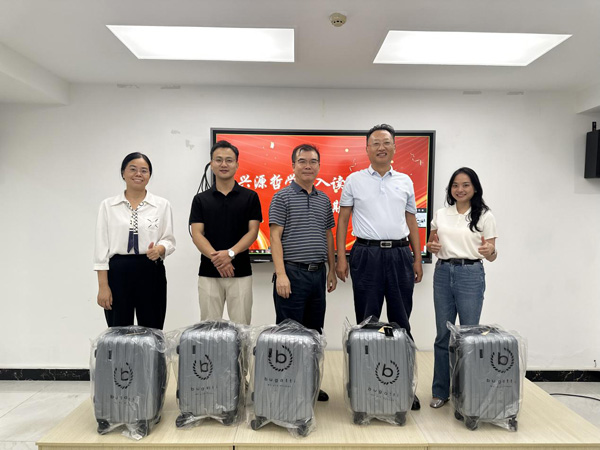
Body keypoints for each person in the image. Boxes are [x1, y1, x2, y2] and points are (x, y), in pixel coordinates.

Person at [336, 123, 422, 409]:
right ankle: (364, 385)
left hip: (399, 254)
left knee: (402, 323)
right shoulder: (354, 180)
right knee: (366, 322)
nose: (381, 147)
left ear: (394, 147)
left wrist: (417, 257)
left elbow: (411, 220)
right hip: (366, 254)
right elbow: (343, 220)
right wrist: (340, 257)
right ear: (367, 148)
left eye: (386, 142)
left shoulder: (405, 181)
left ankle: (405, 387)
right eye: (375, 143)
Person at [269, 143, 337, 401]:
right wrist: (281, 274)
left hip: (318, 275)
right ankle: (287, 388)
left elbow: (328, 236)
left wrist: (331, 270)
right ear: (293, 166)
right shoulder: (282, 197)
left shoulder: (324, 199)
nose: (308, 166)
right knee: (289, 335)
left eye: (312, 161)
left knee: (313, 334)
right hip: (292, 274)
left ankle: (310, 385)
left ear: (319, 166)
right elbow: (275, 237)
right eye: (302, 161)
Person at [427, 167, 497, 409]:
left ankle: (467, 392)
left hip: (470, 274)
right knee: (442, 335)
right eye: (455, 185)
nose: (460, 189)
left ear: (474, 188)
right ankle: (440, 391)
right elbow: (432, 243)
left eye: (465, 185)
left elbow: (492, 255)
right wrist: (431, 247)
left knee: (468, 336)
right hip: (443, 273)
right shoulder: (441, 214)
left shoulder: (485, 216)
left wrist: (490, 251)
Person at [94, 152, 176, 330]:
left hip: (150, 269)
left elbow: (169, 240)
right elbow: (101, 249)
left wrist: (161, 249)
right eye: (133, 169)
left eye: (144, 170)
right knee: (118, 331)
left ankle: (152, 351)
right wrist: (103, 286)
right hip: (118, 271)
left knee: (152, 330)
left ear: (149, 175)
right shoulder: (108, 206)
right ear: (123, 173)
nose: (138, 174)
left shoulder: (162, 205)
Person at [189, 141, 262, 325]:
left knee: (242, 328)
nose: (224, 164)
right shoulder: (200, 199)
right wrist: (218, 260)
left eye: (229, 160)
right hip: (209, 273)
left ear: (237, 164)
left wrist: (230, 254)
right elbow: (197, 234)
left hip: (241, 272)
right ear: (211, 164)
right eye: (218, 160)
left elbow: (253, 232)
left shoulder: (250, 197)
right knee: (209, 330)